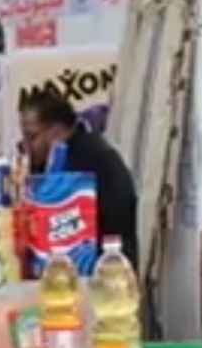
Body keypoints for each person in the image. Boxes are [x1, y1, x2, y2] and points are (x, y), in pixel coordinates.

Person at [19, 91, 139, 266]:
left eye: (32, 137)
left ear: (57, 131)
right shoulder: (54, 160)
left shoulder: (89, 160)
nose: (26, 147)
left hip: (104, 266)